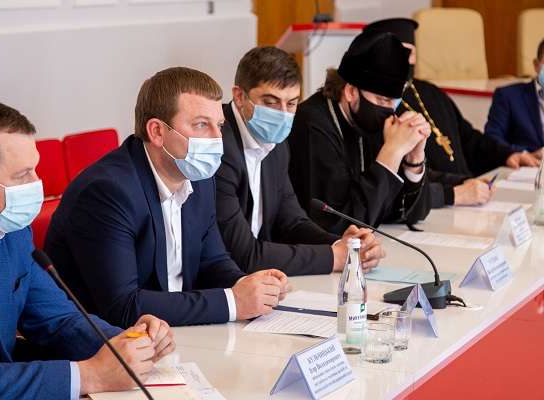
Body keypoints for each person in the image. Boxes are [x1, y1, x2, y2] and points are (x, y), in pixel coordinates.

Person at [0, 99, 174, 399]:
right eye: (23, 174)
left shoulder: (11, 233)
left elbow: (58, 320)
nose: (37, 183)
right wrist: (89, 376)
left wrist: (130, 342)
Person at [45, 67, 290, 328]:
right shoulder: (107, 192)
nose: (218, 139)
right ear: (157, 132)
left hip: (172, 332)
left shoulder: (199, 178)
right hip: (108, 340)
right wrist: (234, 302)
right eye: (201, 125)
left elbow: (212, 261)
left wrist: (249, 286)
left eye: (219, 126)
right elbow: (123, 307)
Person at [215, 46, 385, 276]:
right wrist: (335, 257)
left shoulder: (276, 144)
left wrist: (346, 245)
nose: (282, 114)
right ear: (239, 96)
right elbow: (244, 255)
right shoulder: (218, 147)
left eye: (292, 103)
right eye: (271, 102)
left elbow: (292, 223)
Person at [363, 18, 540, 208]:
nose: (406, 60)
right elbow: (399, 179)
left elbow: (470, 139)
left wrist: (508, 154)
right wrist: (455, 191)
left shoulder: (432, 93)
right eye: (398, 53)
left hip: (469, 197)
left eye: (410, 53)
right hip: (431, 206)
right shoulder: (377, 106)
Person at [288, 30, 432, 235]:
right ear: (350, 92)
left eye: (394, 102)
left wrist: (414, 160)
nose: (390, 110)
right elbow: (340, 225)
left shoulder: (373, 119)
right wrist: (391, 153)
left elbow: (412, 214)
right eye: (382, 100)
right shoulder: (312, 125)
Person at [485, 38, 544, 155]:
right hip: (525, 164)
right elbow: (491, 139)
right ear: (536, 65)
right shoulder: (508, 96)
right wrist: (525, 155)